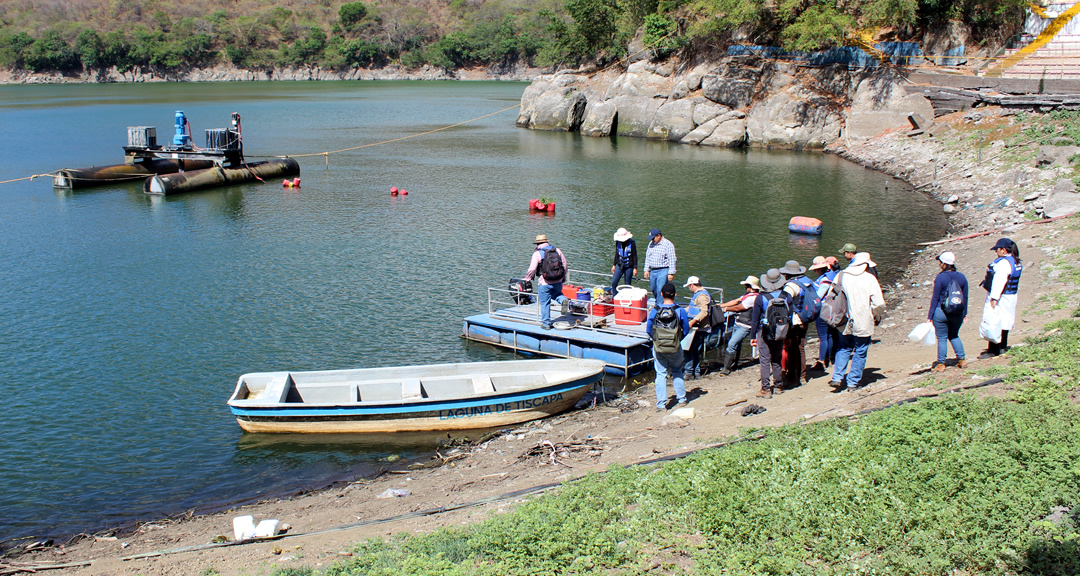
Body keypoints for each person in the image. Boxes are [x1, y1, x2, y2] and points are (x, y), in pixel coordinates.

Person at [830, 252, 885, 391]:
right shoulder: (870, 279)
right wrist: (876, 316)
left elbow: (832, 296)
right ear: (865, 265)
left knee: (843, 347)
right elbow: (878, 304)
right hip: (863, 319)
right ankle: (852, 382)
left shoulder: (841, 275)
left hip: (843, 319)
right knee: (860, 350)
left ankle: (837, 377)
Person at [645, 282, 690, 411]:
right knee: (677, 371)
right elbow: (686, 329)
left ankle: (661, 404)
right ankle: (682, 399)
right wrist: (678, 340)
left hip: (659, 347)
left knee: (660, 374)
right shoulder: (680, 310)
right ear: (675, 295)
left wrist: (656, 340)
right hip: (675, 347)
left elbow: (648, 329)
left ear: (661, 294)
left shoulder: (655, 310)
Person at [979, 238, 1022, 358]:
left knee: (995, 321)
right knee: (1005, 321)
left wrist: (994, 298)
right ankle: (1003, 346)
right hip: (1011, 296)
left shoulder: (1003, 264)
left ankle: (994, 350)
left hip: (1002, 297)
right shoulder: (1015, 261)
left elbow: (999, 281)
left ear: (1003, 250)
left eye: (997, 249)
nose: (996, 252)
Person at [749, 269, 789, 398]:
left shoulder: (761, 297)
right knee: (776, 358)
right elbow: (790, 316)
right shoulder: (786, 295)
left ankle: (765, 389)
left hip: (765, 331)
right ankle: (778, 386)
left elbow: (755, 320)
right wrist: (788, 333)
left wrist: (752, 336)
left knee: (765, 360)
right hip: (781, 331)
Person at [928, 251, 968, 371]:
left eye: (940, 262)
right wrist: (965, 313)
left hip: (941, 312)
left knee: (941, 337)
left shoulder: (940, 277)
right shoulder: (962, 277)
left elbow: (935, 298)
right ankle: (962, 360)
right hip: (957, 312)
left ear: (944, 264)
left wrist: (930, 316)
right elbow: (965, 297)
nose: (940, 264)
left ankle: (941, 363)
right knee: (954, 335)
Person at [779, 260, 814, 387]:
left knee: (792, 348)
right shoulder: (808, 281)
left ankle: (793, 377)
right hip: (805, 318)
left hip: (795, 321)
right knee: (800, 347)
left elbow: (784, 302)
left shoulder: (791, 286)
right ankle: (803, 375)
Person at [522, 234, 569, 330]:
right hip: (558, 280)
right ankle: (563, 300)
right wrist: (563, 277)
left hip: (545, 282)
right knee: (557, 294)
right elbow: (564, 264)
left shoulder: (537, 254)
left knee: (545, 303)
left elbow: (532, 269)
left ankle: (546, 324)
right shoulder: (557, 250)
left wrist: (527, 279)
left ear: (538, 243)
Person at [718, 275, 761, 375]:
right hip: (739, 323)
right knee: (736, 344)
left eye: (746, 286)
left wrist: (726, 309)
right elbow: (736, 301)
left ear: (751, 287)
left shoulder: (752, 299)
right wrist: (722, 305)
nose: (745, 288)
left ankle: (726, 369)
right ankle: (734, 364)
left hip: (745, 325)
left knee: (732, 344)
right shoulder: (747, 295)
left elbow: (738, 308)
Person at [809, 256, 840, 370]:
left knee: (823, 337)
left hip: (823, 309)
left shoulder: (825, 279)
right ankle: (830, 358)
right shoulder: (833, 275)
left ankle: (822, 360)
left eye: (816, 269)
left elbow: (819, 296)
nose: (815, 272)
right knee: (830, 335)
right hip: (832, 308)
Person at [682, 276, 711, 380]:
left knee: (688, 349)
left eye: (689, 286)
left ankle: (689, 372)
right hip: (697, 327)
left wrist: (693, 321)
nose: (689, 288)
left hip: (698, 328)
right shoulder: (698, 295)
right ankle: (696, 371)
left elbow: (704, 311)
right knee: (694, 350)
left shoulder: (701, 296)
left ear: (692, 285)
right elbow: (692, 308)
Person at [643, 229, 677, 302]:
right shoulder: (650, 244)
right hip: (653, 270)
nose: (652, 240)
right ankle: (658, 301)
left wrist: (671, 273)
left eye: (653, 238)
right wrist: (646, 269)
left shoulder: (668, 244)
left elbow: (672, 259)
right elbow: (648, 257)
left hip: (663, 270)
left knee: (660, 289)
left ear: (659, 236)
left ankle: (660, 305)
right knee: (653, 288)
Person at [610, 228, 638, 295]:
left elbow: (635, 256)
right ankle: (615, 296)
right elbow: (616, 254)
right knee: (614, 282)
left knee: (627, 284)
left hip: (629, 266)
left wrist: (635, 268)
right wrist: (614, 265)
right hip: (619, 265)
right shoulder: (618, 242)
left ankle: (627, 298)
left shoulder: (632, 243)